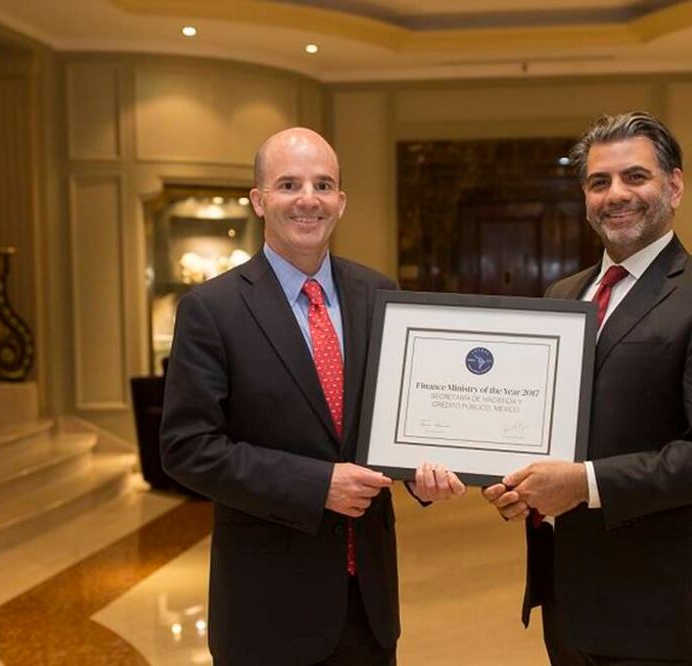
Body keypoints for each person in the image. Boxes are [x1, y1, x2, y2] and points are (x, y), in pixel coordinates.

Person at [160, 127, 464, 665]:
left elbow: (396, 420)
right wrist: (317, 484)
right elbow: (188, 449)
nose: (308, 199)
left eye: (323, 185)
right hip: (267, 607)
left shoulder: (381, 294)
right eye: (288, 184)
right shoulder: (212, 309)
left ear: (341, 202)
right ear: (258, 200)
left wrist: (426, 469)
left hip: (368, 607)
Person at [484, 112, 692, 665]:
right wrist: (514, 480)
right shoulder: (562, 295)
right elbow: (540, 423)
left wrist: (584, 484)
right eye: (599, 182)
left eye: (635, 177)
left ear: (675, 186)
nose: (616, 194)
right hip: (564, 592)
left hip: (652, 605)